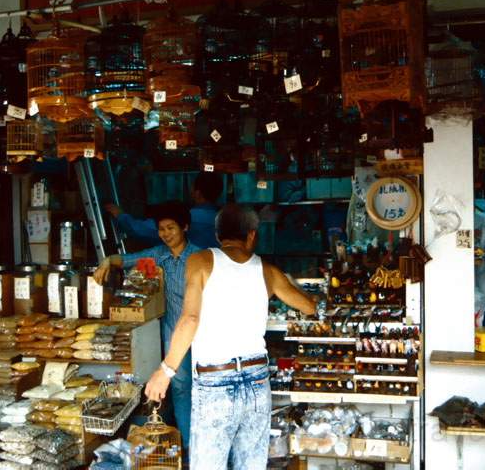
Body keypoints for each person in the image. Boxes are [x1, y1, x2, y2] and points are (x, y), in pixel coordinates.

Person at [145, 204, 317, 469]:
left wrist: (166, 370)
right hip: (257, 378)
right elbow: (309, 306)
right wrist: (286, 281)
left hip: (215, 380)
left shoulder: (200, 261)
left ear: (217, 235)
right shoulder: (267, 271)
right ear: (252, 235)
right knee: (250, 464)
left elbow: (190, 318)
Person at [92, 201, 198, 453]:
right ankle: (188, 447)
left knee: (202, 389)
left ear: (185, 227)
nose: (166, 234)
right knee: (182, 389)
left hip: (202, 332)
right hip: (172, 333)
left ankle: (198, 446)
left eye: (171, 227)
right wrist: (108, 260)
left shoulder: (200, 257)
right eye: (161, 229)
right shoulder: (158, 256)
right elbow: (128, 260)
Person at [106, 172, 224, 249]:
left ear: (197, 193)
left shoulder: (187, 217)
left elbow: (142, 230)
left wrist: (120, 215)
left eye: (192, 189)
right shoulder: (223, 221)